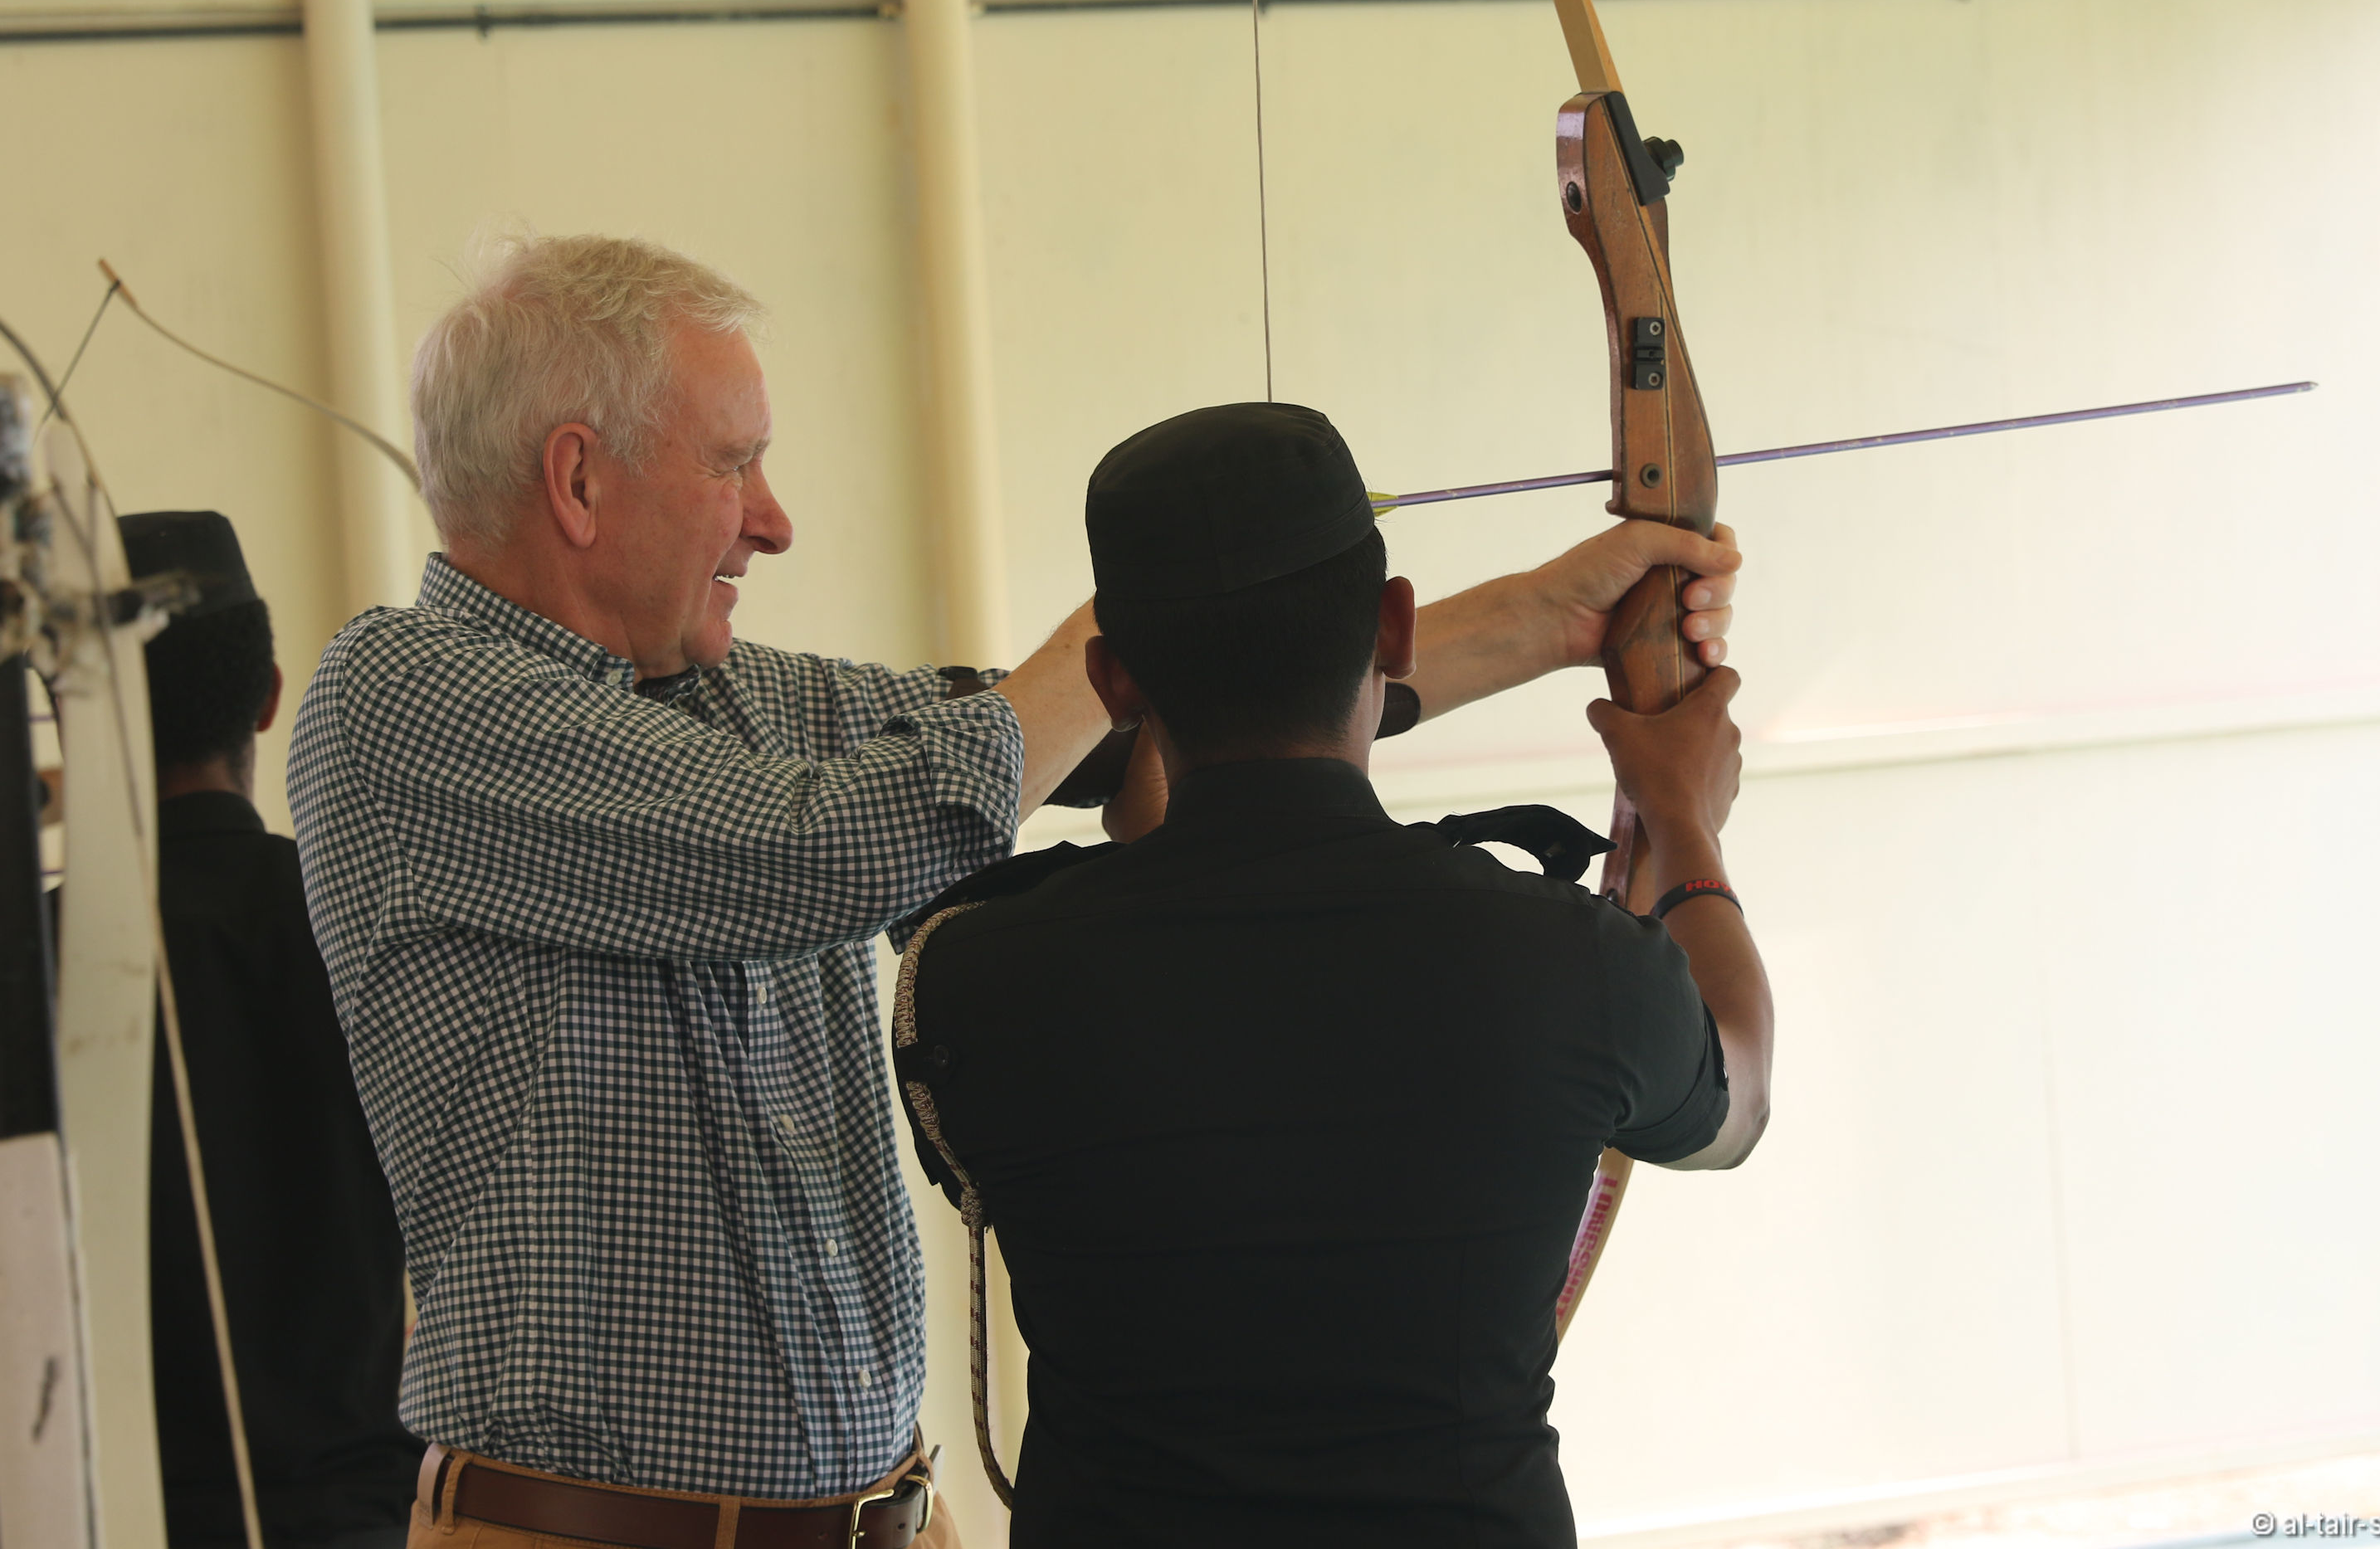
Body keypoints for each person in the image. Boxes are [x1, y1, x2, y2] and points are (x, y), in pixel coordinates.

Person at [284, 235, 1741, 1547]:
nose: (772, 522)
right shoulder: (401, 700)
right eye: (733, 464)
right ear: (578, 479)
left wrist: (1550, 618)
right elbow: (838, 842)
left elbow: (1168, 719)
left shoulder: (735, 702)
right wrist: (1150, 605)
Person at [893, 403, 1772, 1547]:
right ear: (1395, 626)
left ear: (1111, 680)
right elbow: (1735, 1108)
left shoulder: (971, 977)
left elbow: (1184, 963)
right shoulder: (1567, 960)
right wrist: (1686, 822)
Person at [121, 509, 423, 1549]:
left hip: (122, 1516)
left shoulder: (43, 960)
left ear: (80, 713)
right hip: (365, 1512)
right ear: (268, 698)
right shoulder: (361, 919)